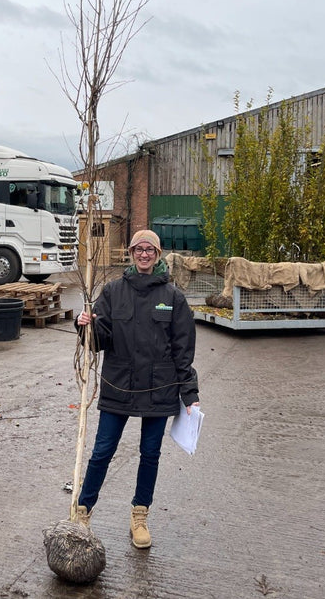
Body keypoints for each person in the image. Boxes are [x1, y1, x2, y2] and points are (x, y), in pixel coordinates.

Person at [74, 228, 199, 549]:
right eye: (138, 249)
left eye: (150, 250)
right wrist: (85, 327)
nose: (144, 254)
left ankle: (139, 516)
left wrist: (190, 395)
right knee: (102, 451)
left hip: (160, 389)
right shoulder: (114, 292)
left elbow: (183, 350)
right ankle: (82, 512)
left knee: (150, 454)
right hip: (119, 385)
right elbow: (100, 339)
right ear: (130, 253)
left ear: (158, 255)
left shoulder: (173, 298)